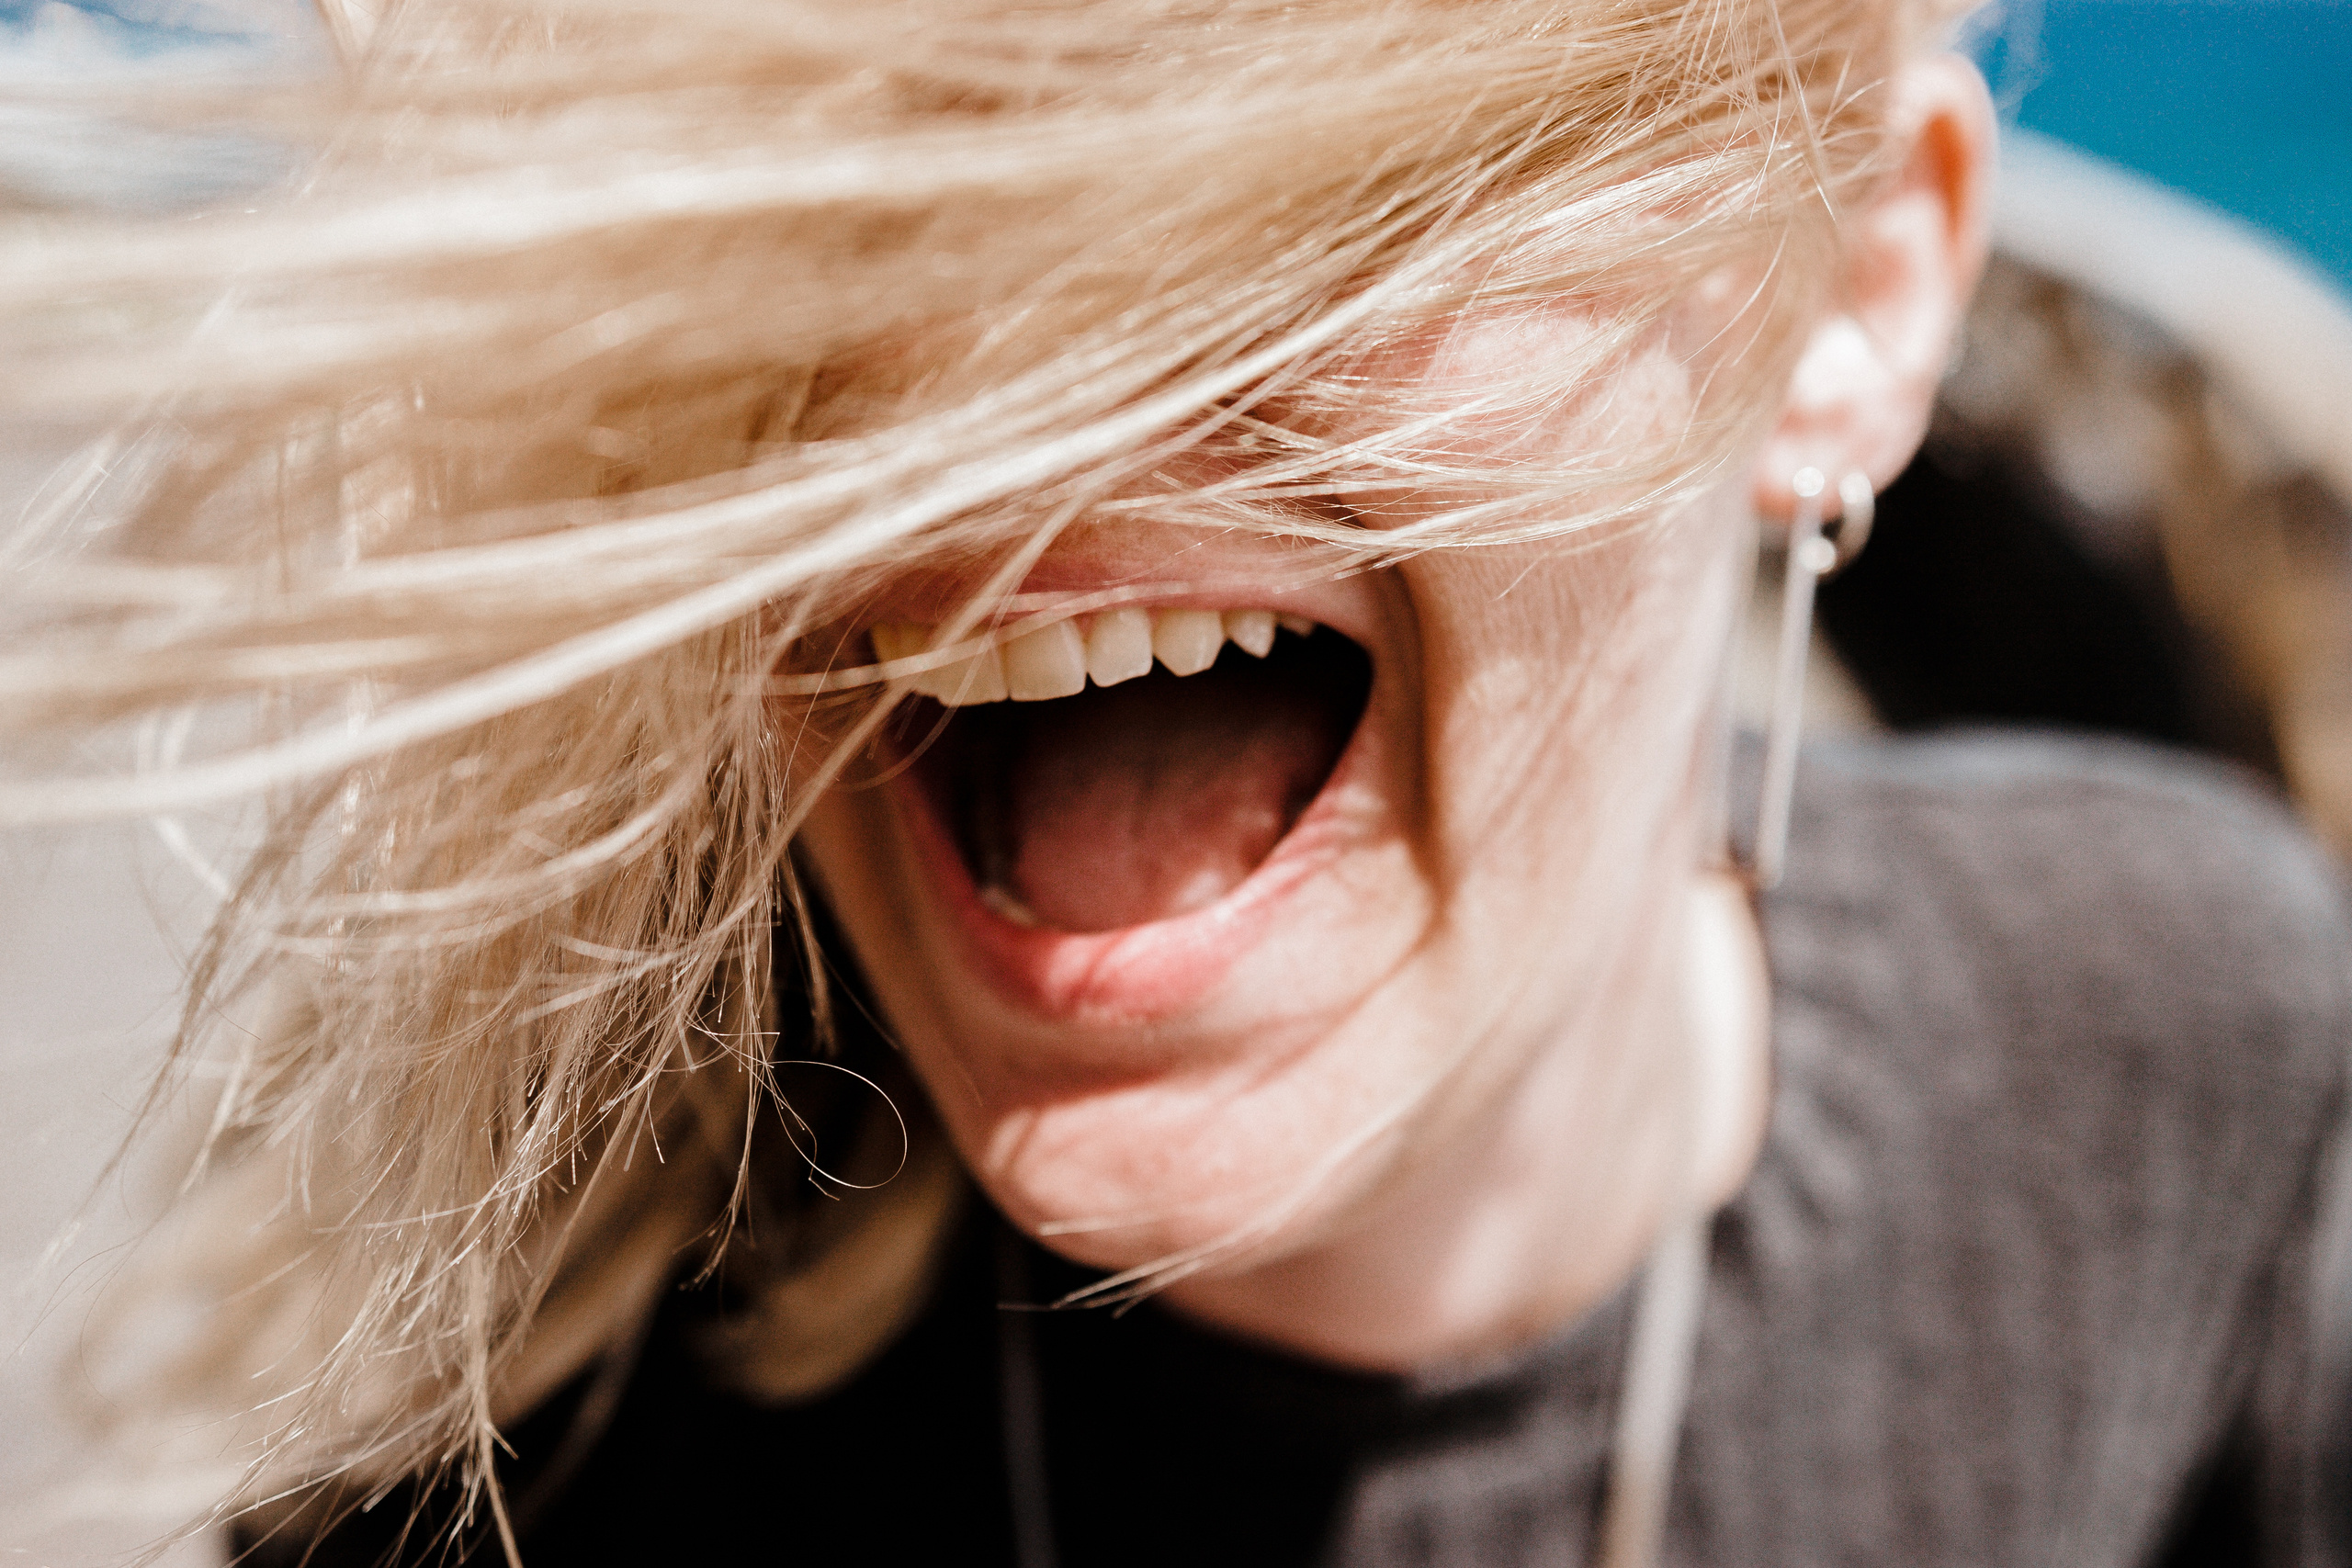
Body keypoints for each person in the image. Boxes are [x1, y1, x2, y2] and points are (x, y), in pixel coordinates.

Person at [7, 1, 2347, 1564]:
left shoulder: (2186, 1058)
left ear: (1842, 293)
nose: (1001, 388)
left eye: (1308, 200)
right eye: (842, 206)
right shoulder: (516, 1474)